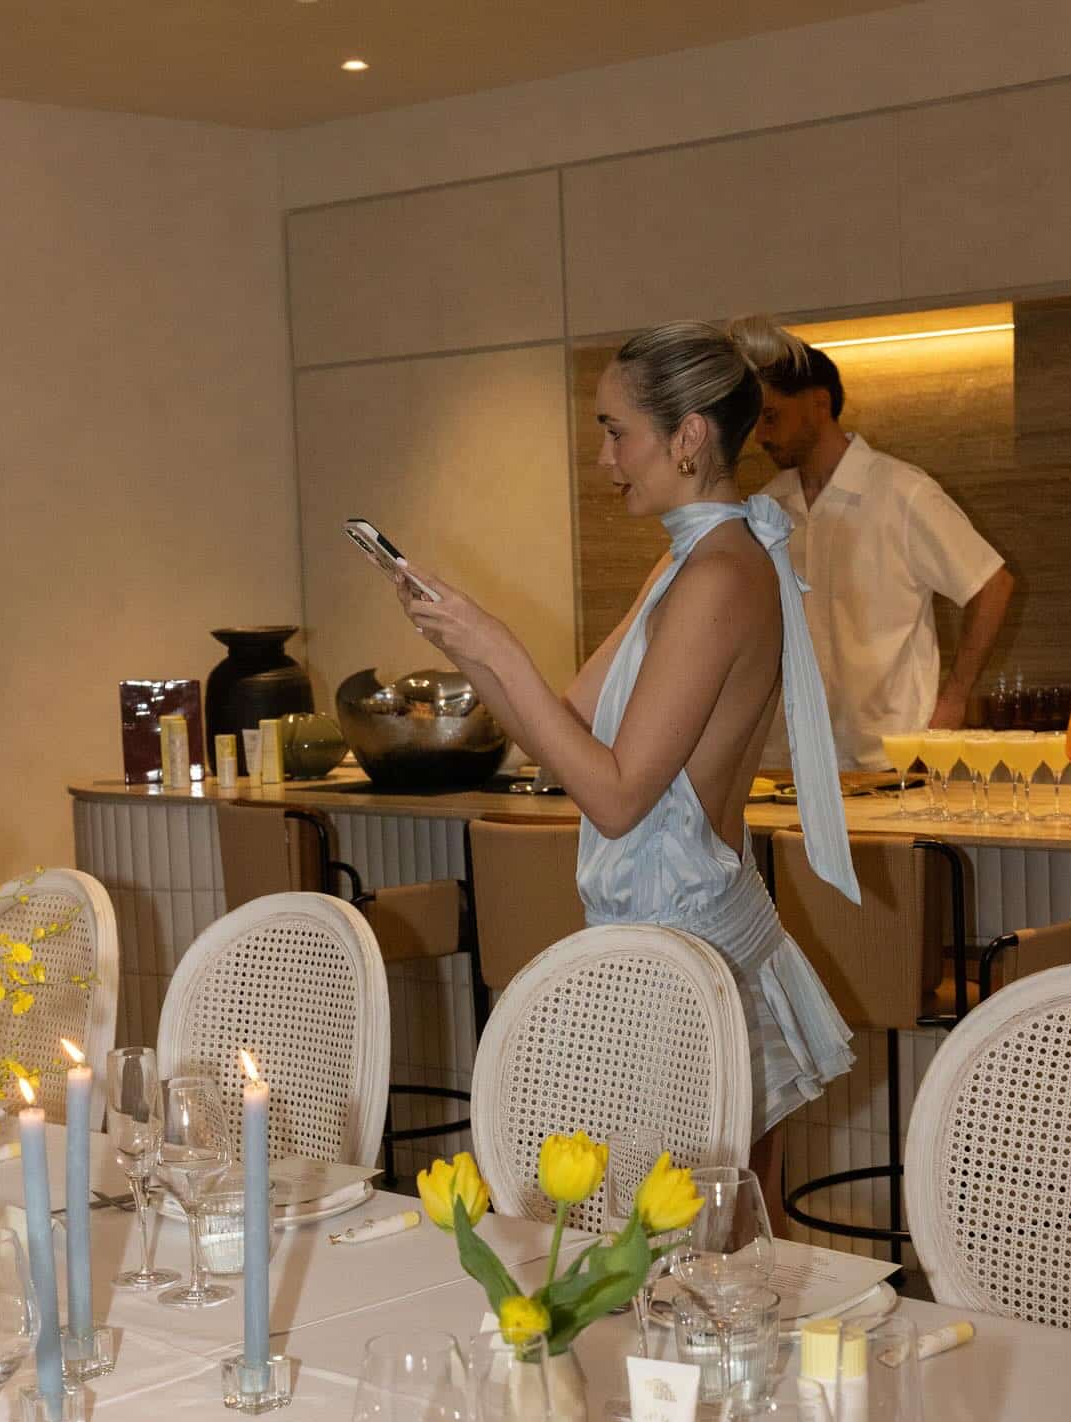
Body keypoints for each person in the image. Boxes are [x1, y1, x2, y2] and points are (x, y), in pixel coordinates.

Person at [393, 320, 861, 1205]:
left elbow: (615, 799)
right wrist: (463, 643)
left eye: (616, 431)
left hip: (692, 949)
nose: (604, 458)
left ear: (688, 436)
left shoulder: (719, 575)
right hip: (670, 938)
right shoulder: (690, 563)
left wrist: (497, 643)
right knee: (670, 1242)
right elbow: (562, 730)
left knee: (700, 1246)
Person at [727, 315, 1015, 770]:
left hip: (891, 759)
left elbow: (993, 586)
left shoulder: (902, 492)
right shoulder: (765, 508)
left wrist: (954, 700)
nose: (760, 435)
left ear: (819, 403)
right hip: (787, 763)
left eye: (771, 416)